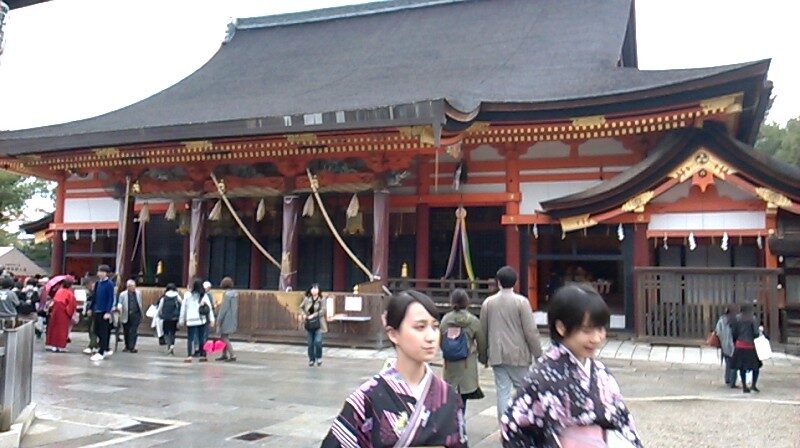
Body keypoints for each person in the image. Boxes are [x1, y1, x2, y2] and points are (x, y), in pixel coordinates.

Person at [501, 284, 643, 448]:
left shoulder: (601, 372)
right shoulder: (541, 378)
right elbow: (513, 429)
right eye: (587, 330)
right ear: (561, 328)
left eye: (600, 329)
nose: (596, 338)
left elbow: (622, 420)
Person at [321, 290, 467, 447]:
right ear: (393, 334)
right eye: (420, 327)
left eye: (435, 327)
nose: (431, 337)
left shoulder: (448, 396)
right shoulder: (366, 399)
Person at [480, 265, 543, 421]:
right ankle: (525, 422)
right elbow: (530, 331)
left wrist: (483, 356)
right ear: (515, 282)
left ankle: (504, 424)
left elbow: (483, 331)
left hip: (497, 353)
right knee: (524, 390)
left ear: (498, 282)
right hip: (518, 354)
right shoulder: (521, 302)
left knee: (502, 392)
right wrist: (538, 354)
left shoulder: (488, 303)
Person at [440, 288, 486, 412]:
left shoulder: (445, 320)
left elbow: (440, 342)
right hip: (466, 364)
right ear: (467, 302)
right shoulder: (473, 321)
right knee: (463, 399)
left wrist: (449, 350)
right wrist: (483, 358)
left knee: (451, 397)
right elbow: (482, 343)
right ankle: (460, 421)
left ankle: (453, 420)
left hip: (450, 365)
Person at [179, 279, 215, 363]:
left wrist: (181, 320)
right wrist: (212, 319)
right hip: (201, 320)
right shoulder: (204, 296)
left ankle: (189, 356)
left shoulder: (188, 296)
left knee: (190, 338)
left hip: (190, 320)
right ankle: (203, 355)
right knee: (201, 338)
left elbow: (183, 309)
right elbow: (209, 308)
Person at [731, 302, 762, 393]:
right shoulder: (753, 318)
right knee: (756, 367)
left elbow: (734, 332)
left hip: (739, 345)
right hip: (750, 346)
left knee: (741, 367)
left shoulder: (737, 318)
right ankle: (753, 385)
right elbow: (756, 333)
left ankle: (744, 386)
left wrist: (735, 340)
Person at [90, 265, 116, 362]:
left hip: (104, 311)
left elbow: (110, 298)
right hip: (97, 310)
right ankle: (105, 348)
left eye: (102, 271)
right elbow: (94, 296)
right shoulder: (98, 283)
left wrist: (108, 312)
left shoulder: (109, 284)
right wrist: (90, 308)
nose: (99, 273)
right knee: (96, 330)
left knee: (104, 332)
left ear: (106, 273)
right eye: (99, 271)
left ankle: (102, 351)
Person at [45, 276, 77, 352]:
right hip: (64, 313)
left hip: (55, 311)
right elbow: (71, 305)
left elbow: (55, 301)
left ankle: (53, 345)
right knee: (62, 329)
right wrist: (70, 313)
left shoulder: (59, 291)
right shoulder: (69, 293)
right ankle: (60, 346)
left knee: (54, 328)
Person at [299, 283, 326, 367]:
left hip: (319, 323)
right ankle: (311, 359)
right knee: (310, 343)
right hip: (309, 323)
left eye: (316, 288)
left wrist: (313, 315)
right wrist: (303, 314)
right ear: (310, 290)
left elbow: (323, 311)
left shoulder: (322, 299)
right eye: (313, 288)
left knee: (318, 342)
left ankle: (319, 357)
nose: (314, 290)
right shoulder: (307, 299)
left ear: (319, 290)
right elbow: (301, 307)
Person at [715, 304, 739, 388]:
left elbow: (718, 332)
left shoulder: (721, 320)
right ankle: (732, 382)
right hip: (733, 344)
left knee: (728, 362)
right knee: (734, 364)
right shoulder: (735, 320)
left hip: (724, 344)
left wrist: (722, 338)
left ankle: (727, 379)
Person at [215, 276, 238, 362]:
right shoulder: (235, 294)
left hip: (226, 318)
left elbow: (223, 309)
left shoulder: (227, 295)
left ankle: (232, 355)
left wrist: (219, 320)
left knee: (224, 337)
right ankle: (224, 354)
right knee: (224, 336)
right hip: (232, 317)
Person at [117, 279, 143, 353]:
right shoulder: (122, 294)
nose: (133, 287)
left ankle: (132, 347)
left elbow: (139, 303)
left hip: (136, 314)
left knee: (133, 331)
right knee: (126, 331)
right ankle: (127, 346)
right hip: (126, 314)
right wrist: (119, 308)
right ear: (128, 287)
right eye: (131, 286)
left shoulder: (138, 293)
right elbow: (119, 303)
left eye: (134, 286)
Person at [156, 283, 182, 355]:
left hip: (166, 317)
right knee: (173, 333)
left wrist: (158, 316)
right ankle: (172, 346)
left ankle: (168, 346)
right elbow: (182, 305)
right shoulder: (177, 297)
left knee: (166, 332)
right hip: (174, 318)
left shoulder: (164, 297)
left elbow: (160, 308)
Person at [82, 279, 99, 355]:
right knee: (90, 330)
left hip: (94, 312)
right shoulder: (89, 292)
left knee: (93, 330)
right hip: (89, 313)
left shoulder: (95, 293)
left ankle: (92, 346)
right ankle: (94, 345)